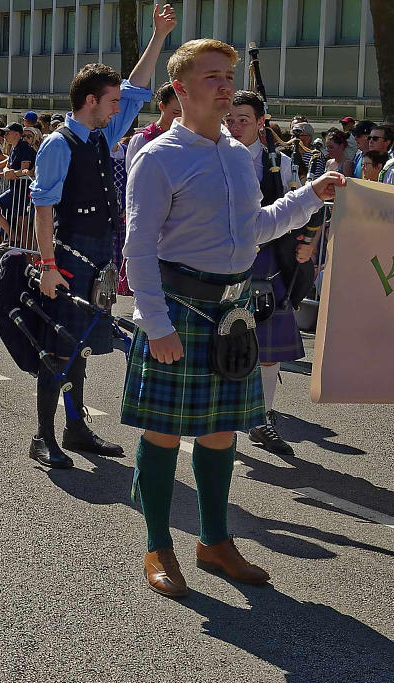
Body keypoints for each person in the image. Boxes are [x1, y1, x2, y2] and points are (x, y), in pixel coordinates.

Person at [122, 38, 344, 597]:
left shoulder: (239, 155)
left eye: (228, 76)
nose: (225, 86)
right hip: (178, 309)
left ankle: (214, 542)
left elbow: (257, 229)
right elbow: (139, 247)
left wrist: (311, 195)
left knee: (222, 431)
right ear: (180, 89)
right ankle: (158, 545)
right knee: (164, 430)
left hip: (232, 310)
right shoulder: (157, 158)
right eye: (212, 77)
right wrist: (156, 324)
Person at [25, 2, 174, 467]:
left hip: (97, 257)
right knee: (58, 348)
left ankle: (75, 429)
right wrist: (48, 267)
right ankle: (42, 435)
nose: (119, 108)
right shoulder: (59, 143)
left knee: (82, 346)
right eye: (110, 101)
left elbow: (135, 90)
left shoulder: (100, 138)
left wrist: (158, 38)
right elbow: (43, 209)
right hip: (67, 257)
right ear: (91, 101)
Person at [223, 91, 318, 460]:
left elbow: (310, 207)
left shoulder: (281, 164)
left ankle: (261, 420)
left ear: (261, 122)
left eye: (243, 119)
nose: (234, 125)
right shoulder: (212, 157)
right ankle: (224, 424)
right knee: (226, 344)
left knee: (267, 351)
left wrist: (308, 243)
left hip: (267, 267)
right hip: (223, 264)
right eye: (229, 118)